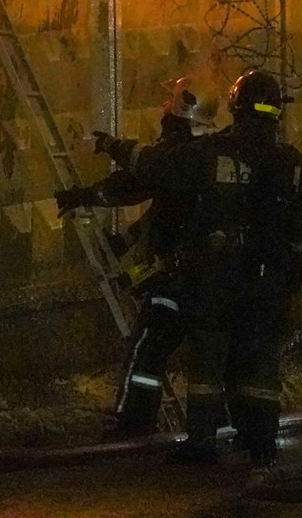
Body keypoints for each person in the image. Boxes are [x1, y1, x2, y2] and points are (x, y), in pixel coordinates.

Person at [59, 69, 302, 466]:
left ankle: (201, 442)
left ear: (237, 105)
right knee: (257, 364)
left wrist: (110, 146)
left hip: (216, 280)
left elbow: (153, 170)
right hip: (267, 284)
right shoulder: (291, 162)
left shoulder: (213, 153)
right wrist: (291, 275)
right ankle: (260, 441)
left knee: (208, 360)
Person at [73, 79, 207, 436]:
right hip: (201, 275)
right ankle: (215, 426)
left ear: (181, 111)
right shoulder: (208, 155)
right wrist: (125, 241)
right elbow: (162, 212)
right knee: (205, 353)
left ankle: (134, 423)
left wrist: (90, 191)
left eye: (168, 102)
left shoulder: (180, 156)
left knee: (148, 348)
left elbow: (139, 180)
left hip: (178, 275)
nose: (163, 108)